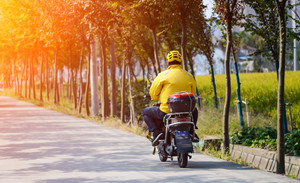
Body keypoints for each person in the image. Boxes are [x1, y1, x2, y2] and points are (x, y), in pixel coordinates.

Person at [142, 50, 199, 146]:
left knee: (145, 112)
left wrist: (156, 97)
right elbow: (192, 93)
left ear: (168, 62)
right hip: (187, 111)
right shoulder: (189, 75)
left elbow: (153, 93)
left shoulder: (163, 75)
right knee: (195, 111)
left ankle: (157, 133)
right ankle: (192, 132)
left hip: (166, 111)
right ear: (180, 61)